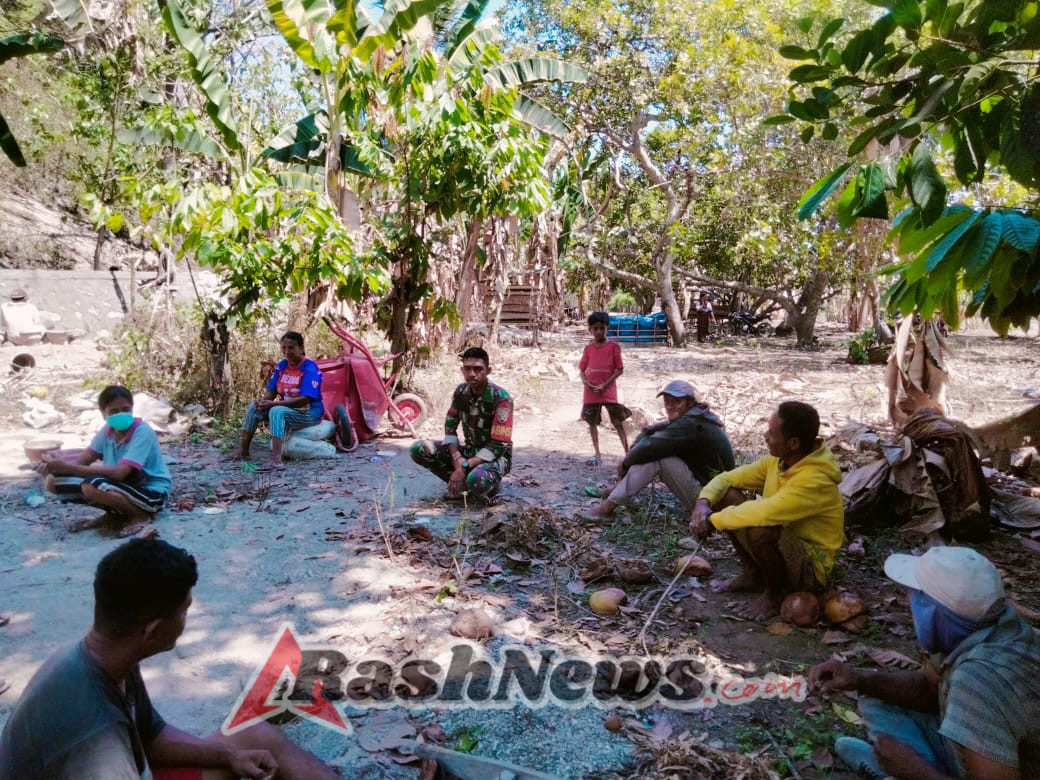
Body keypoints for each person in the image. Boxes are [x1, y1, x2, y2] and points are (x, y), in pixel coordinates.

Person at [0, 538, 339, 779]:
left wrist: (230, 757)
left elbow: (152, 736)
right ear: (153, 630)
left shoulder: (108, 655)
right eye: (185, 610)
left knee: (254, 737)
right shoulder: (97, 738)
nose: (187, 618)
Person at [810, 546, 1040, 779]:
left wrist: (913, 770)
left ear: (934, 613)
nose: (907, 601)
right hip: (989, 746)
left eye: (916, 595)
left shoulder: (977, 681)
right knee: (875, 694)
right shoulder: (1007, 629)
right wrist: (857, 678)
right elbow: (931, 693)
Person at [689, 400, 843, 620]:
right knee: (728, 495)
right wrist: (703, 502)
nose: (765, 436)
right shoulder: (778, 461)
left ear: (793, 443)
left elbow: (765, 512)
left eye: (772, 432)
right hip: (785, 546)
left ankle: (774, 595)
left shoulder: (814, 479)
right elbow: (729, 478)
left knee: (760, 529)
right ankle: (752, 575)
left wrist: (713, 520)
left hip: (810, 569)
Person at [582, 380, 735, 522]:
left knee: (657, 457)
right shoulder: (695, 417)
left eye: (676, 402)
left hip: (711, 503)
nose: (670, 406)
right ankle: (616, 491)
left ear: (689, 403)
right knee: (654, 450)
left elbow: (650, 447)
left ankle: (606, 508)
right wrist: (636, 448)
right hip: (711, 495)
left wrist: (626, 463)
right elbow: (652, 433)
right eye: (667, 402)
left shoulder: (690, 424)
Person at [36, 384, 171, 535]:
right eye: (114, 411)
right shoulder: (108, 431)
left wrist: (67, 468)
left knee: (92, 485)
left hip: (151, 492)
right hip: (123, 487)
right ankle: (115, 514)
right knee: (53, 480)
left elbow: (120, 473)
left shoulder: (142, 432)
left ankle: (139, 516)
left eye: (126, 409)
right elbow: (83, 460)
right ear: (103, 414)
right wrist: (53, 467)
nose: (121, 414)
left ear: (132, 409)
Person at [410, 346, 513, 502]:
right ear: (462, 370)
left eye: (478, 369)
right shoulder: (461, 392)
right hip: (469, 451)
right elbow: (450, 428)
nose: (471, 374)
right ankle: (461, 485)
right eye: (467, 369)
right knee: (419, 449)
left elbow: (498, 445)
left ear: (488, 370)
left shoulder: (501, 398)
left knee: (477, 481)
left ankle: (487, 485)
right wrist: (457, 458)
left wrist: (464, 466)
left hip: (495, 457)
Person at [235, 331, 324, 466]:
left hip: (308, 413)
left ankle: (275, 460)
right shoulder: (282, 366)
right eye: (283, 348)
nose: (287, 351)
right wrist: (263, 401)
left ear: (301, 348)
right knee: (254, 408)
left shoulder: (310, 368)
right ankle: (243, 452)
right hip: (289, 410)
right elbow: (271, 392)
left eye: (291, 347)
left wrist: (273, 405)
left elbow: (305, 399)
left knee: (276, 411)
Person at [579, 311, 630, 466]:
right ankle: (597, 454)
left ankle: (628, 454)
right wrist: (585, 382)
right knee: (592, 423)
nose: (599, 331)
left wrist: (605, 384)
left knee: (618, 422)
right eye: (595, 328)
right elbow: (581, 369)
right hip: (591, 392)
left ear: (607, 328)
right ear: (590, 330)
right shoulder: (588, 349)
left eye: (602, 328)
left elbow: (619, 369)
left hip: (608, 392)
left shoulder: (614, 347)